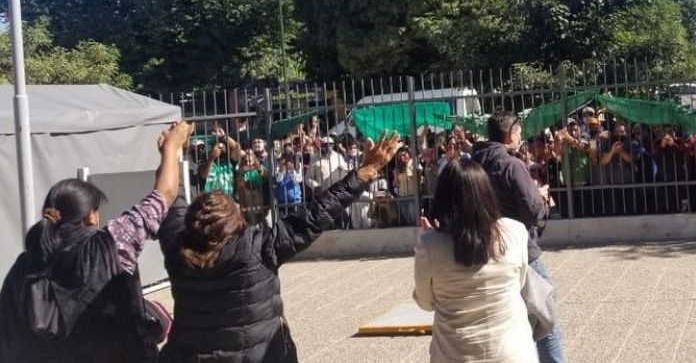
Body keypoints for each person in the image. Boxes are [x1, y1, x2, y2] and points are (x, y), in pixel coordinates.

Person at [155, 132, 401, 363]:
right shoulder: (259, 247)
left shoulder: (177, 246)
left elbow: (168, 198)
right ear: (235, 220)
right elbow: (318, 213)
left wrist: (171, 152)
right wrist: (365, 172)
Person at [0, 121, 192, 363]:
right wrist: (172, 147)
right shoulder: (112, 243)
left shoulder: (24, 266)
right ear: (91, 215)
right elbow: (165, 194)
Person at [414, 159, 538, 363]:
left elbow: (425, 302)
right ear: (486, 193)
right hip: (513, 352)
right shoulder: (515, 231)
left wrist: (431, 243)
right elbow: (519, 283)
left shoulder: (430, 245)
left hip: (454, 354)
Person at [472, 110, 565, 363]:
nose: (520, 137)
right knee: (546, 320)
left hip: (482, 250)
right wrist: (542, 197)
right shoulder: (511, 165)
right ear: (510, 133)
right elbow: (533, 210)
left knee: (502, 320)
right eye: (519, 132)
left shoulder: (472, 165)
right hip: (521, 250)